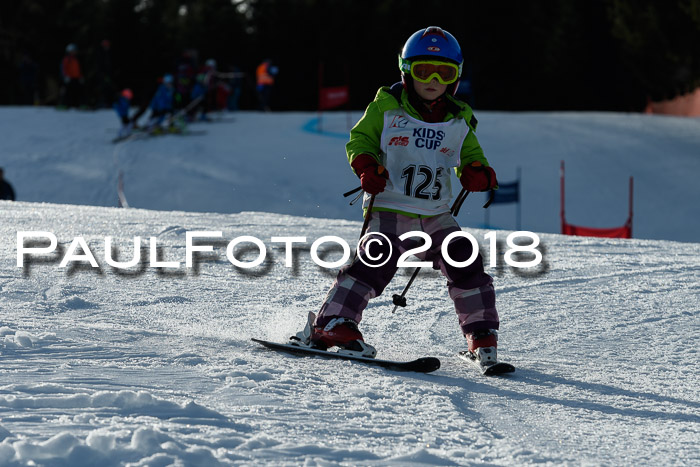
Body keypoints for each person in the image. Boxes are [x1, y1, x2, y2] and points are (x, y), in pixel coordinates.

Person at [305, 27, 501, 364]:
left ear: (456, 77)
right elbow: (360, 141)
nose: (434, 79)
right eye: (424, 70)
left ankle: (481, 332)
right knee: (374, 260)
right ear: (406, 71)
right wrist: (367, 168)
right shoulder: (387, 108)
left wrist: (479, 174)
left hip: (437, 213)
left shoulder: (458, 121)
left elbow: (473, 158)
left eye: (445, 72)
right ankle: (331, 323)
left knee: (464, 258)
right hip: (391, 205)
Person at [60, 43, 84, 108]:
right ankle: (64, 104)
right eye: (73, 51)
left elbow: (79, 69)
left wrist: (81, 76)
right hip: (69, 78)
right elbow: (63, 68)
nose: (75, 52)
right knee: (66, 92)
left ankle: (79, 104)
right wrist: (65, 76)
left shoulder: (77, 59)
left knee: (79, 91)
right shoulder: (66, 59)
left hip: (76, 78)